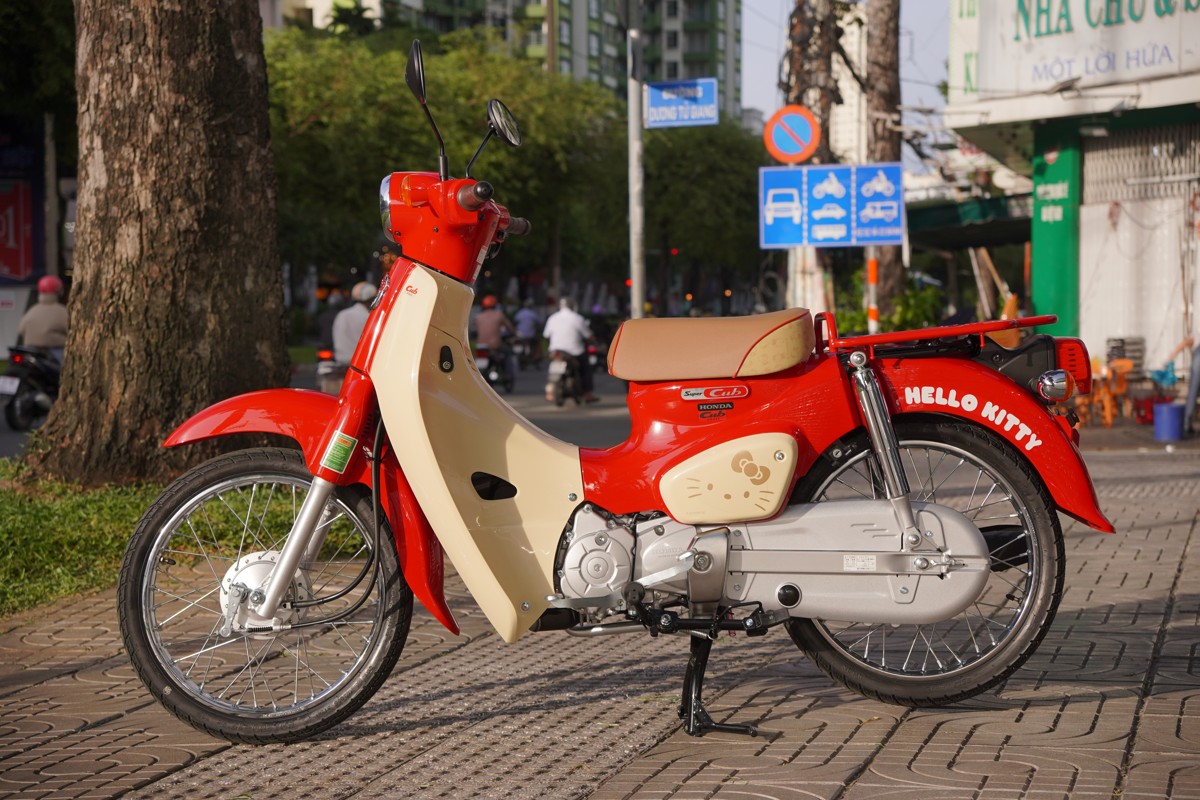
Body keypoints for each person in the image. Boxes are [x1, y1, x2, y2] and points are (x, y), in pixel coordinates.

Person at [543, 297, 597, 403]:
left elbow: (546, 335)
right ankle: (588, 394)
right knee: (585, 369)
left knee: (551, 368)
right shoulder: (577, 318)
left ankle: (549, 393)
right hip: (574, 351)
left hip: (555, 351)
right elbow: (588, 335)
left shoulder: (552, 318)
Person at [18, 275, 69, 363]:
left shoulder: (32, 310)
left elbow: (21, 330)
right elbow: (71, 331)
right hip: (55, 351)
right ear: (59, 291)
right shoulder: (63, 311)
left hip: (31, 350)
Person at [332, 282, 377, 365]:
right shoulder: (369, 317)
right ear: (371, 299)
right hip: (360, 363)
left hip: (340, 362)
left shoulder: (342, 314)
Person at [513, 297, 542, 365]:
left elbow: (515, 321)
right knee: (537, 343)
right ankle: (536, 356)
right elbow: (538, 323)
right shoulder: (533, 313)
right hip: (530, 335)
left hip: (520, 334)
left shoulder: (520, 313)